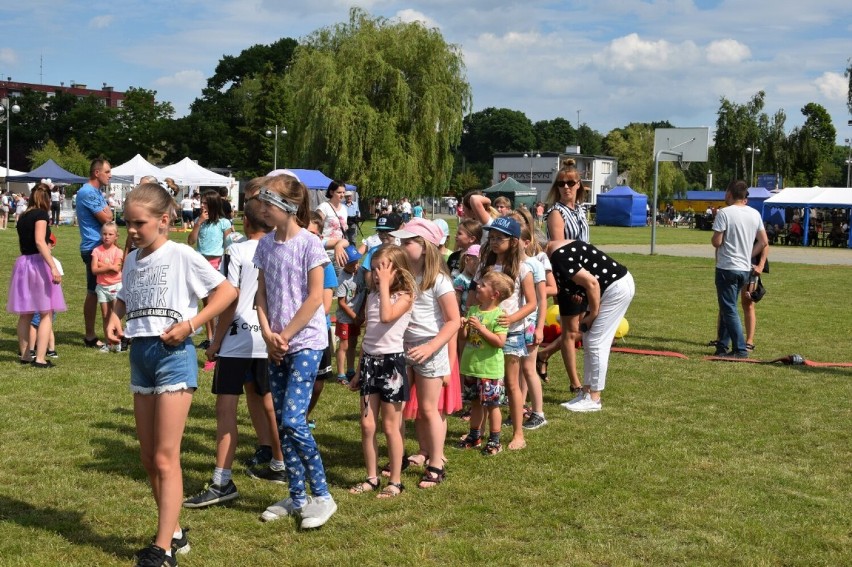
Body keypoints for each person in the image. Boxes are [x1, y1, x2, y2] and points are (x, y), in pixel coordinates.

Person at [105, 183, 237, 566]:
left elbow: (227, 292)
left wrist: (192, 324)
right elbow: (125, 294)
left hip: (174, 356)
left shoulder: (181, 254)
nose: (131, 230)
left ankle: (162, 549)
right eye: (126, 222)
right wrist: (115, 315)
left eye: (138, 223)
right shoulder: (132, 258)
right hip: (141, 356)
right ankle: (175, 531)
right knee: (148, 457)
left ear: (164, 221)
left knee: (166, 457)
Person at [182, 196, 286, 509]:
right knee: (268, 402)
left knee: (226, 409)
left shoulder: (237, 250)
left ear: (246, 222)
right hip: (269, 338)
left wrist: (215, 342)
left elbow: (231, 298)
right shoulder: (279, 248)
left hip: (239, 340)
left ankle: (222, 480)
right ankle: (280, 465)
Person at [253, 175, 338, 529]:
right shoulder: (265, 246)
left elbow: (315, 297)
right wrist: (269, 333)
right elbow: (261, 295)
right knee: (283, 426)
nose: (261, 210)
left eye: (267, 203)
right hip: (277, 343)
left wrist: (284, 335)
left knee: (292, 420)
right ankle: (296, 495)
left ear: (286, 206)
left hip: (306, 342)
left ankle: (322, 496)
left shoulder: (310, 245)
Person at [390, 217, 461, 488]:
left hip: (430, 347)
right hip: (404, 345)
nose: (402, 245)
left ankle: (437, 462)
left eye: (407, 242)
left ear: (424, 246)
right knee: (407, 407)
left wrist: (432, 347)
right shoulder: (406, 276)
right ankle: (414, 454)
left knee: (430, 409)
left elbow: (454, 321)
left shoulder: (439, 281)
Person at [348, 245, 416, 498]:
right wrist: (358, 371)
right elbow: (370, 336)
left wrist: (386, 286)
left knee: (390, 426)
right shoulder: (374, 295)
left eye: (383, 269)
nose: (377, 274)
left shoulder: (405, 296)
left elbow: (387, 318)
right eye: (374, 269)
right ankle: (371, 477)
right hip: (370, 364)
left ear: (397, 270)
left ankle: (396, 481)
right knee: (367, 425)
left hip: (392, 364)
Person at [469, 216, 536, 451]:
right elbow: (472, 294)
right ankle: (479, 433)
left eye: (500, 238)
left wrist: (511, 319)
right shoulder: (484, 266)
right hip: (482, 333)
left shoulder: (523, 268)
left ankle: (518, 433)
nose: (495, 242)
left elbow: (531, 303)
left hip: (512, 333)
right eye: (492, 237)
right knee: (482, 382)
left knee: (510, 383)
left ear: (515, 241)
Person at [547, 239, 635, 412]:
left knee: (596, 341)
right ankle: (586, 393)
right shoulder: (557, 250)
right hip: (610, 288)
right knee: (589, 339)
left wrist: (593, 313)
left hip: (615, 289)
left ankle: (594, 398)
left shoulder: (558, 257)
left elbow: (593, 283)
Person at [539, 158, 589, 395]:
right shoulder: (556, 213)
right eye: (561, 183)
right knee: (571, 331)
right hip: (569, 276)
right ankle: (575, 383)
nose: (566, 187)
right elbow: (559, 249)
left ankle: (544, 354)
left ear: (579, 185)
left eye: (571, 182)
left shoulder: (580, 209)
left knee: (584, 326)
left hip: (586, 274)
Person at [7, 182, 66, 368]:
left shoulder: (23, 216)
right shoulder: (41, 215)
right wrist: (53, 268)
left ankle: (25, 355)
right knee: (46, 312)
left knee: (25, 313)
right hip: (38, 264)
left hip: (23, 263)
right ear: (47, 199)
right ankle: (40, 358)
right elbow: (41, 242)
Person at [456, 271, 513, 455]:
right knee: (475, 403)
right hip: (471, 366)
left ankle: (495, 440)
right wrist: (462, 326)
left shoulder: (499, 315)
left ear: (494, 294)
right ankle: (475, 436)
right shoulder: (473, 310)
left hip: (490, 369)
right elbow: (463, 337)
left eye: (482, 285)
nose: (477, 287)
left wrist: (480, 328)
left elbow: (499, 342)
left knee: (492, 405)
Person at [710, 180, 768, 359]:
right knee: (730, 307)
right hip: (744, 269)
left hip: (727, 267)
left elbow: (717, 242)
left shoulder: (724, 213)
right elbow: (764, 241)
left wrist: (715, 239)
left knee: (728, 309)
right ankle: (722, 345)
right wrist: (749, 254)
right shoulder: (754, 214)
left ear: (729, 193)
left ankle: (740, 349)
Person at [187, 190, 233, 353]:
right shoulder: (201, 222)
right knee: (206, 302)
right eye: (202, 202)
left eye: (205, 202)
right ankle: (209, 337)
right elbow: (191, 241)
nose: (201, 205)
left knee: (213, 303)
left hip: (216, 263)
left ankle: (216, 338)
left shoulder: (223, 223)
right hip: (200, 263)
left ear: (213, 204)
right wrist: (198, 223)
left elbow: (229, 243)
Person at [77, 159, 114, 348]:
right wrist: (108, 214)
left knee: (106, 290)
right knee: (95, 291)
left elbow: (110, 218)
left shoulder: (96, 192)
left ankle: (106, 332)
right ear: (97, 173)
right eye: (107, 172)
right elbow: (106, 218)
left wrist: (109, 215)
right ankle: (92, 335)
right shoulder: (87, 192)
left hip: (100, 245)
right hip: (94, 247)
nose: (110, 175)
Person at [90, 221, 125, 353]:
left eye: (110, 234)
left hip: (116, 285)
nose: (107, 236)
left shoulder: (118, 251)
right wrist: (108, 267)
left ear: (116, 236)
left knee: (116, 315)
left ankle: (118, 341)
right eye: (104, 234)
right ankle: (108, 342)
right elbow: (94, 270)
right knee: (105, 315)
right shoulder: (96, 251)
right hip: (102, 287)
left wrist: (102, 266)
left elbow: (116, 269)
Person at [335, 245, 364, 385]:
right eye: (352, 264)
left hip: (356, 317)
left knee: (353, 344)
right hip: (345, 318)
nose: (356, 266)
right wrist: (354, 317)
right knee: (344, 345)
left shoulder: (359, 273)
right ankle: (341, 373)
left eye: (357, 262)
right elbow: (341, 303)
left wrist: (360, 316)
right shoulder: (342, 279)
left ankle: (351, 370)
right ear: (344, 263)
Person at [316, 180, 349, 274]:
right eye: (339, 192)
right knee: (325, 283)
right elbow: (315, 227)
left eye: (343, 192)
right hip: (325, 251)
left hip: (340, 250)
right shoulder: (323, 207)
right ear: (331, 192)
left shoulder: (344, 209)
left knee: (341, 281)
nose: (342, 195)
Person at [453, 244, 480, 315]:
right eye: (476, 264)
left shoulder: (476, 280)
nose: (478, 268)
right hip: (462, 314)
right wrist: (458, 315)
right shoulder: (461, 279)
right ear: (467, 259)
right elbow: (457, 299)